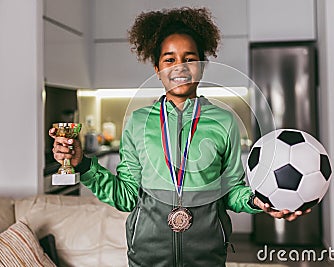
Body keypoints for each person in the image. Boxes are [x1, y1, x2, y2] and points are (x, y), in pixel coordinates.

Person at [50, 7, 310, 267]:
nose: (180, 67)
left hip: (207, 257)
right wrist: (83, 164)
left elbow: (231, 191)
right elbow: (126, 196)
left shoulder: (224, 121)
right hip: (147, 258)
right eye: (169, 59)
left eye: (189, 58)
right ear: (157, 68)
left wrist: (261, 201)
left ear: (202, 66)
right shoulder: (138, 122)